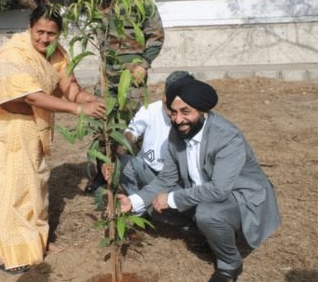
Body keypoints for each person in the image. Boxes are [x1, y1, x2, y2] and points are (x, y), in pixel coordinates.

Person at [0, 5, 106, 274]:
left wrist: (91, 100)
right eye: (39, 32)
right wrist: (78, 109)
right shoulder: (13, 54)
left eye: (51, 34)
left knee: (35, 184)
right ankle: (9, 252)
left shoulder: (57, 54)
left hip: (30, 127)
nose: (44, 38)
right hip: (1, 130)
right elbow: (30, 96)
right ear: (30, 28)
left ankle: (35, 240)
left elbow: (70, 88)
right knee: (11, 191)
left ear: (59, 34)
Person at [117, 76, 281, 282]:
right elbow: (166, 179)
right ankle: (208, 234)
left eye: (186, 112)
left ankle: (230, 265)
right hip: (205, 192)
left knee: (206, 213)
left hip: (242, 198)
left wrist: (170, 199)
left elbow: (219, 190)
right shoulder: (177, 134)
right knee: (154, 203)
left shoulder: (227, 137)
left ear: (202, 111)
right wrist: (133, 201)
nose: (178, 119)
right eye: (174, 112)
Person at [85, 0, 165, 194]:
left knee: (133, 126)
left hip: (131, 78)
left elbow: (157, 36)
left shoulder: (142, 3)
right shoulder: (101, 3)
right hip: (106, 78)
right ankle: (102, 175)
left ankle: (131, 177)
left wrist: (144, 64)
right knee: (102, 125)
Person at [104, 70, 191, 195]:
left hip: (177, 181)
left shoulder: (193, 119)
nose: (167, 100)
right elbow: (131, 133)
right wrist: (114, 155)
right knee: (123, 164)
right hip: (149, 171)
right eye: (167, 94)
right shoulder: (150, 110)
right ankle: (137, 207)